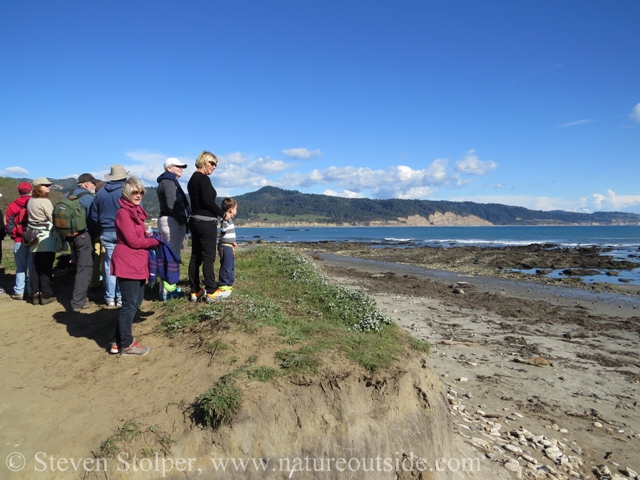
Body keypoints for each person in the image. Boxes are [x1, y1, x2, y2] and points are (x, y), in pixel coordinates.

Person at [109, 177, 159, 356]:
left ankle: (117, 340)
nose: (138, 195)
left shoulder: (137, 211)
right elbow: (132, 240)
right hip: (128, 262)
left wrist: (148, 235)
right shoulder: (124, 213)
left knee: (134, 303)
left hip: (137, 262)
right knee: (130, 304)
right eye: (134, 192)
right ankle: (127, 344)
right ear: (127, 193)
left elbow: (138, 236)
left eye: (141, 192)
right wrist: (152, 242)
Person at [187, 151, 231, 303]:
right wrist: (223, 214)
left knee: (196, 256)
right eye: (212, 163)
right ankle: (211, 291)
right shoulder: (203, 179)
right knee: (208, 257)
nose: (214, 167)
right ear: (204, 161)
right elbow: (208, 202)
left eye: (215, 165)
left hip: (195, 221)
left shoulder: (193, 178)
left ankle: (195, 290)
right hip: (206, 223)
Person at [89, 165, 129, 307]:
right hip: (123, 232)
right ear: (124, 177)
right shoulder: (127, 191)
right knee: (123, 264)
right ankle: (120, 297)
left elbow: (93, 215)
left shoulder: (100, 193)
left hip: (106, 232)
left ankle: (109, 297)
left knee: (109, 264)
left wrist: (100, 230)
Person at [156, 157, 190, 298]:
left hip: (170, 220)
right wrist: (181, 219)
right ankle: (168, 290)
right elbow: (172, 204)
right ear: (169, 168)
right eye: (178, 166)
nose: (181, 168)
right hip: (172, 221)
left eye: (181, 166)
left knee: (168, 254)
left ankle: (165, 288)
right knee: (171, 255)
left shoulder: (168, 181)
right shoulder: (169, 182)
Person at [27, 177, 64, 305]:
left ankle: (35, 294)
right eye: (46, 185)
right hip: (45, 236)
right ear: (38, 187)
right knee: (46, 267)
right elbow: (52, 218)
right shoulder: (45, 201)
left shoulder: (30, 201)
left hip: (33, 236)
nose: (49, 187)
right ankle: (47, 295)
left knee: (36, 266)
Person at [68, 173, 97, 311]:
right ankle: (78, 302)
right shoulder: (87, 198)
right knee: (84, 268)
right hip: (84, 235)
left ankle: (78, 296)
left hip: (69, 235)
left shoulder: (69, 195)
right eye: (93, 184)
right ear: (87, 184)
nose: (95, 186)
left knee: (78, 265)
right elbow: (93, 218)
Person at [5, 183, 34, 300]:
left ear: (19, 191)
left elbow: (9, 224)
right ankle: (32, 290)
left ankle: (19, 291)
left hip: (18, 239)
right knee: (32, 266)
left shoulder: (12, 205)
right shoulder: (34, 203)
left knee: (20, 267)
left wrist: (14, 236)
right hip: (33, 238)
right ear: (30, 190)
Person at [213, 197, 238, 300]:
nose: (236, 211)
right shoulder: (225, 220)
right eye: (236, 209)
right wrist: (225, 219)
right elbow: (223, 230)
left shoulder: (230, 220)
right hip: (225, 247)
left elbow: (229, 234)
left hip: (229, 246)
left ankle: (229, 284)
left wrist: (233, 242)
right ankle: (223, 284)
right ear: (231, 209)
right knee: (226, 266)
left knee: (231, 265)